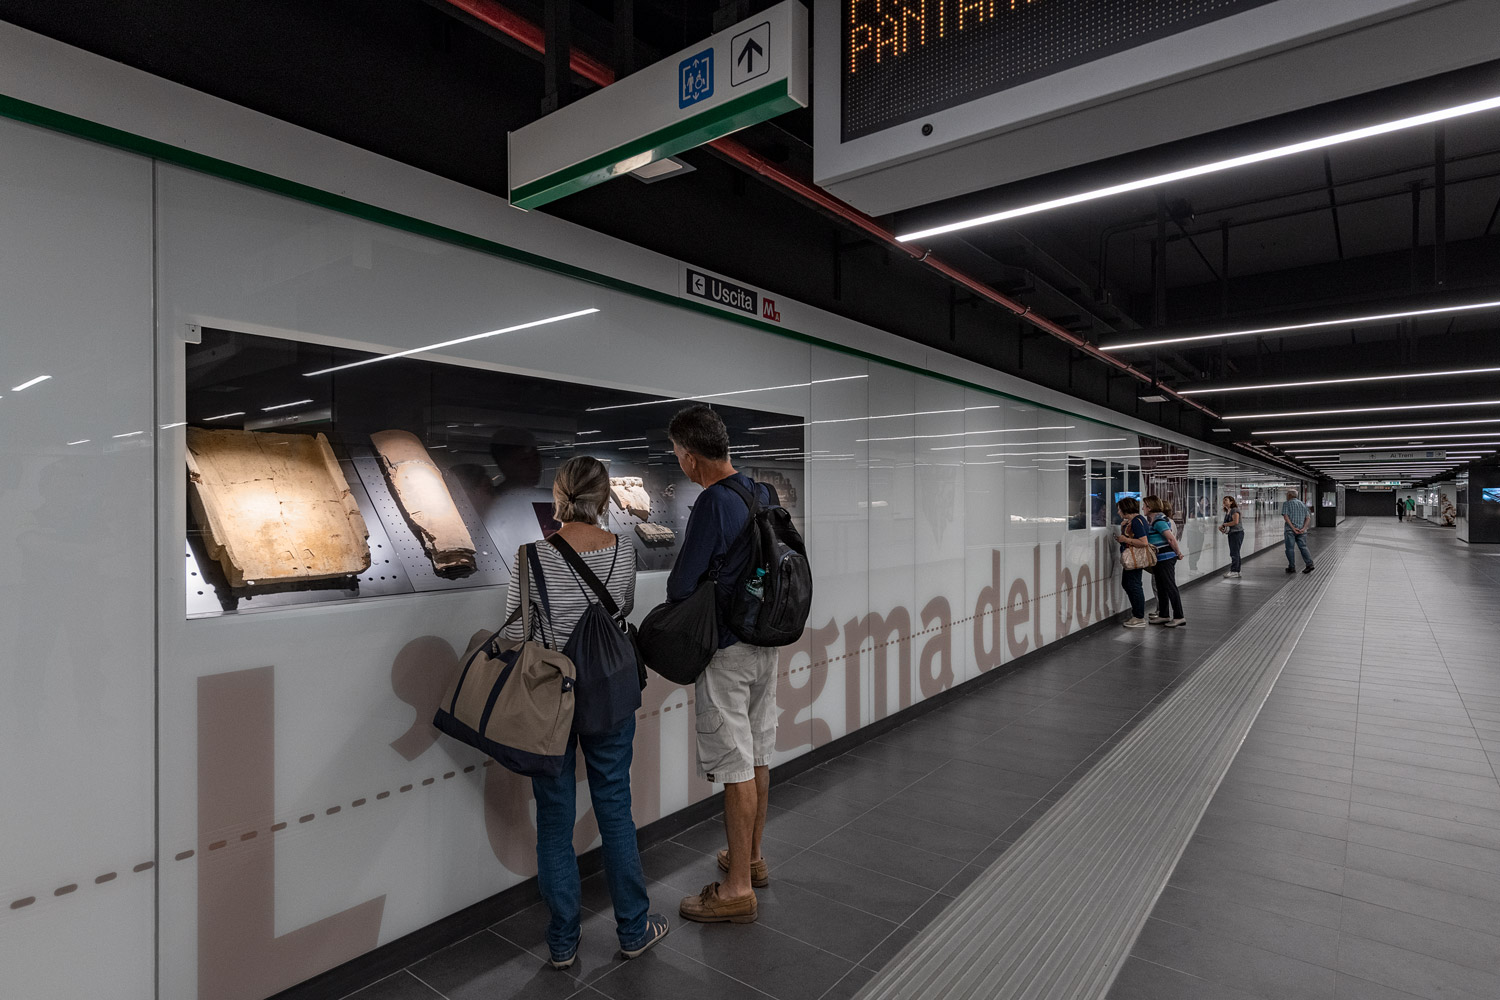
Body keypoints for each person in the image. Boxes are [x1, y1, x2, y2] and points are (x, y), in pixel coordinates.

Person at [501, 455, 668, 967]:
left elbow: (513, 633)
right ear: (603, 499)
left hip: (552, 697)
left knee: (554, 818)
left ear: (558, 494)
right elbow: (622, 612)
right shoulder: (621, 552)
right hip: (609, 692)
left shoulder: (530, 555)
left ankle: (562, 942)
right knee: (615, 806)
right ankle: (634, 929)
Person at [666, 404, 779, 925]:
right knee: (757, 752)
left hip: (727, 648)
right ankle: (750, 859)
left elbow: (682, 584)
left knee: (733, 764)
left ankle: (734, 891)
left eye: (677, 455)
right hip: (764, 639)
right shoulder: (762, 491)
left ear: (690, 457)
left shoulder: (711, 503)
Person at [1143, 496, 1187, 627]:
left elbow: (1171, 539)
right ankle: (1164, 614)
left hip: (1166, 557)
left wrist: (1178, 553)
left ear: (1150, 507)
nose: (1143, 508)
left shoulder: (1159, 521)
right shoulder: (1155, 520)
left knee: (1169, 586)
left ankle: (1179, 616)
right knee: (1161, 587)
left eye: (1144, 506)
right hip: (1159, 558)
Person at [1115, 497, 1150, 628]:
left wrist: (1125, 539)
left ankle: (1139, 616)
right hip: (1132, 559)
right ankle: (1137, 614)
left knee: (1133, 585)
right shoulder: (1135, 521)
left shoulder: (1136, 521)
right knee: (1130, 583)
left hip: (1134, 559)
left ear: (1125, 509)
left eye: (1119, 509)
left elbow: (1143, 542)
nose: (1118, 512)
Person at [1281, 488, 1315, 574]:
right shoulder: (1303, 504)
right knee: (1303, 547)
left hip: (1290, 530)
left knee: (1290, 549)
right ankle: (1309, 564)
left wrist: (1293, 528)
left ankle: (1291, 567)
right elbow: (1308, 518)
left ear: (1289, 495)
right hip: (1302, 531)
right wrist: (1303, 528)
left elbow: (1286, 517)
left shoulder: (1286, 504)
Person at [1218, 495, 1244, 578]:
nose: (1224, 502)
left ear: (1231, 502)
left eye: (1226, 500)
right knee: (1235, 552)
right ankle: (1237, 570)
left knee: (1234, 552)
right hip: (1232, 533)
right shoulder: (1228, 511)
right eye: (1223, 500)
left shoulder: (1234, 510)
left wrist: (1225, 524)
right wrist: (1223, 528)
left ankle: (1234, 571)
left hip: (1237, 533)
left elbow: (1235, 522)